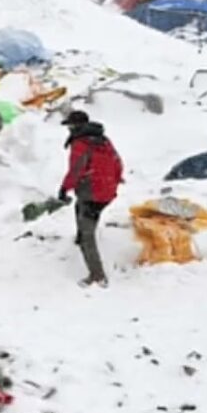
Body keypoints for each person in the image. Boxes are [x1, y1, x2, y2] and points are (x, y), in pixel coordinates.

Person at [57, 111, 124, 288]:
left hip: (92, 192)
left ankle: (97, 275)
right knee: (82, 209)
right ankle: (79, 238)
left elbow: (76, 170)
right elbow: (118, 162)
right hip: (107, 191)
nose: (68, 130)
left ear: (77, 126)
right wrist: (115, 180)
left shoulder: (81, 143)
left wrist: (64, 188)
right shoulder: (103, 140)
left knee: (89, 233)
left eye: (70, 126)